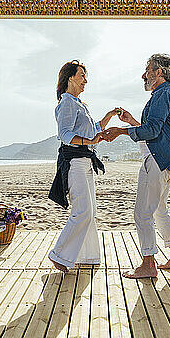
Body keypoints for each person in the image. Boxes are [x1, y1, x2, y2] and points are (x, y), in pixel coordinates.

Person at [103, 53, 170, 278]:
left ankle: (148, 264)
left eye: (147, 70)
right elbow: (154, 129)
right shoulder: (169, 94)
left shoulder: (162, 94)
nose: (144, 75)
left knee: (142, 213)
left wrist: (121, 131)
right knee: (160, 209)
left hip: (158, 160)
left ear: (158, 72)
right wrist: (132, 122)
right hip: (169, 162)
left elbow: (152, 132)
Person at [48, 60, 121, 273]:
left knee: (91, 211)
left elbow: (92, 131)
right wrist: (92, 141)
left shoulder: (80, 104)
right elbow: (66, 134)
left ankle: (87, 256)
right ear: (70, 77)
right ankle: (58, 254)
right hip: (75, 163)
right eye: (82, 76)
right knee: (83, 211)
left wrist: (107, 118)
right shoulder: (67, 103)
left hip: (86, 162)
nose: (85, 81)